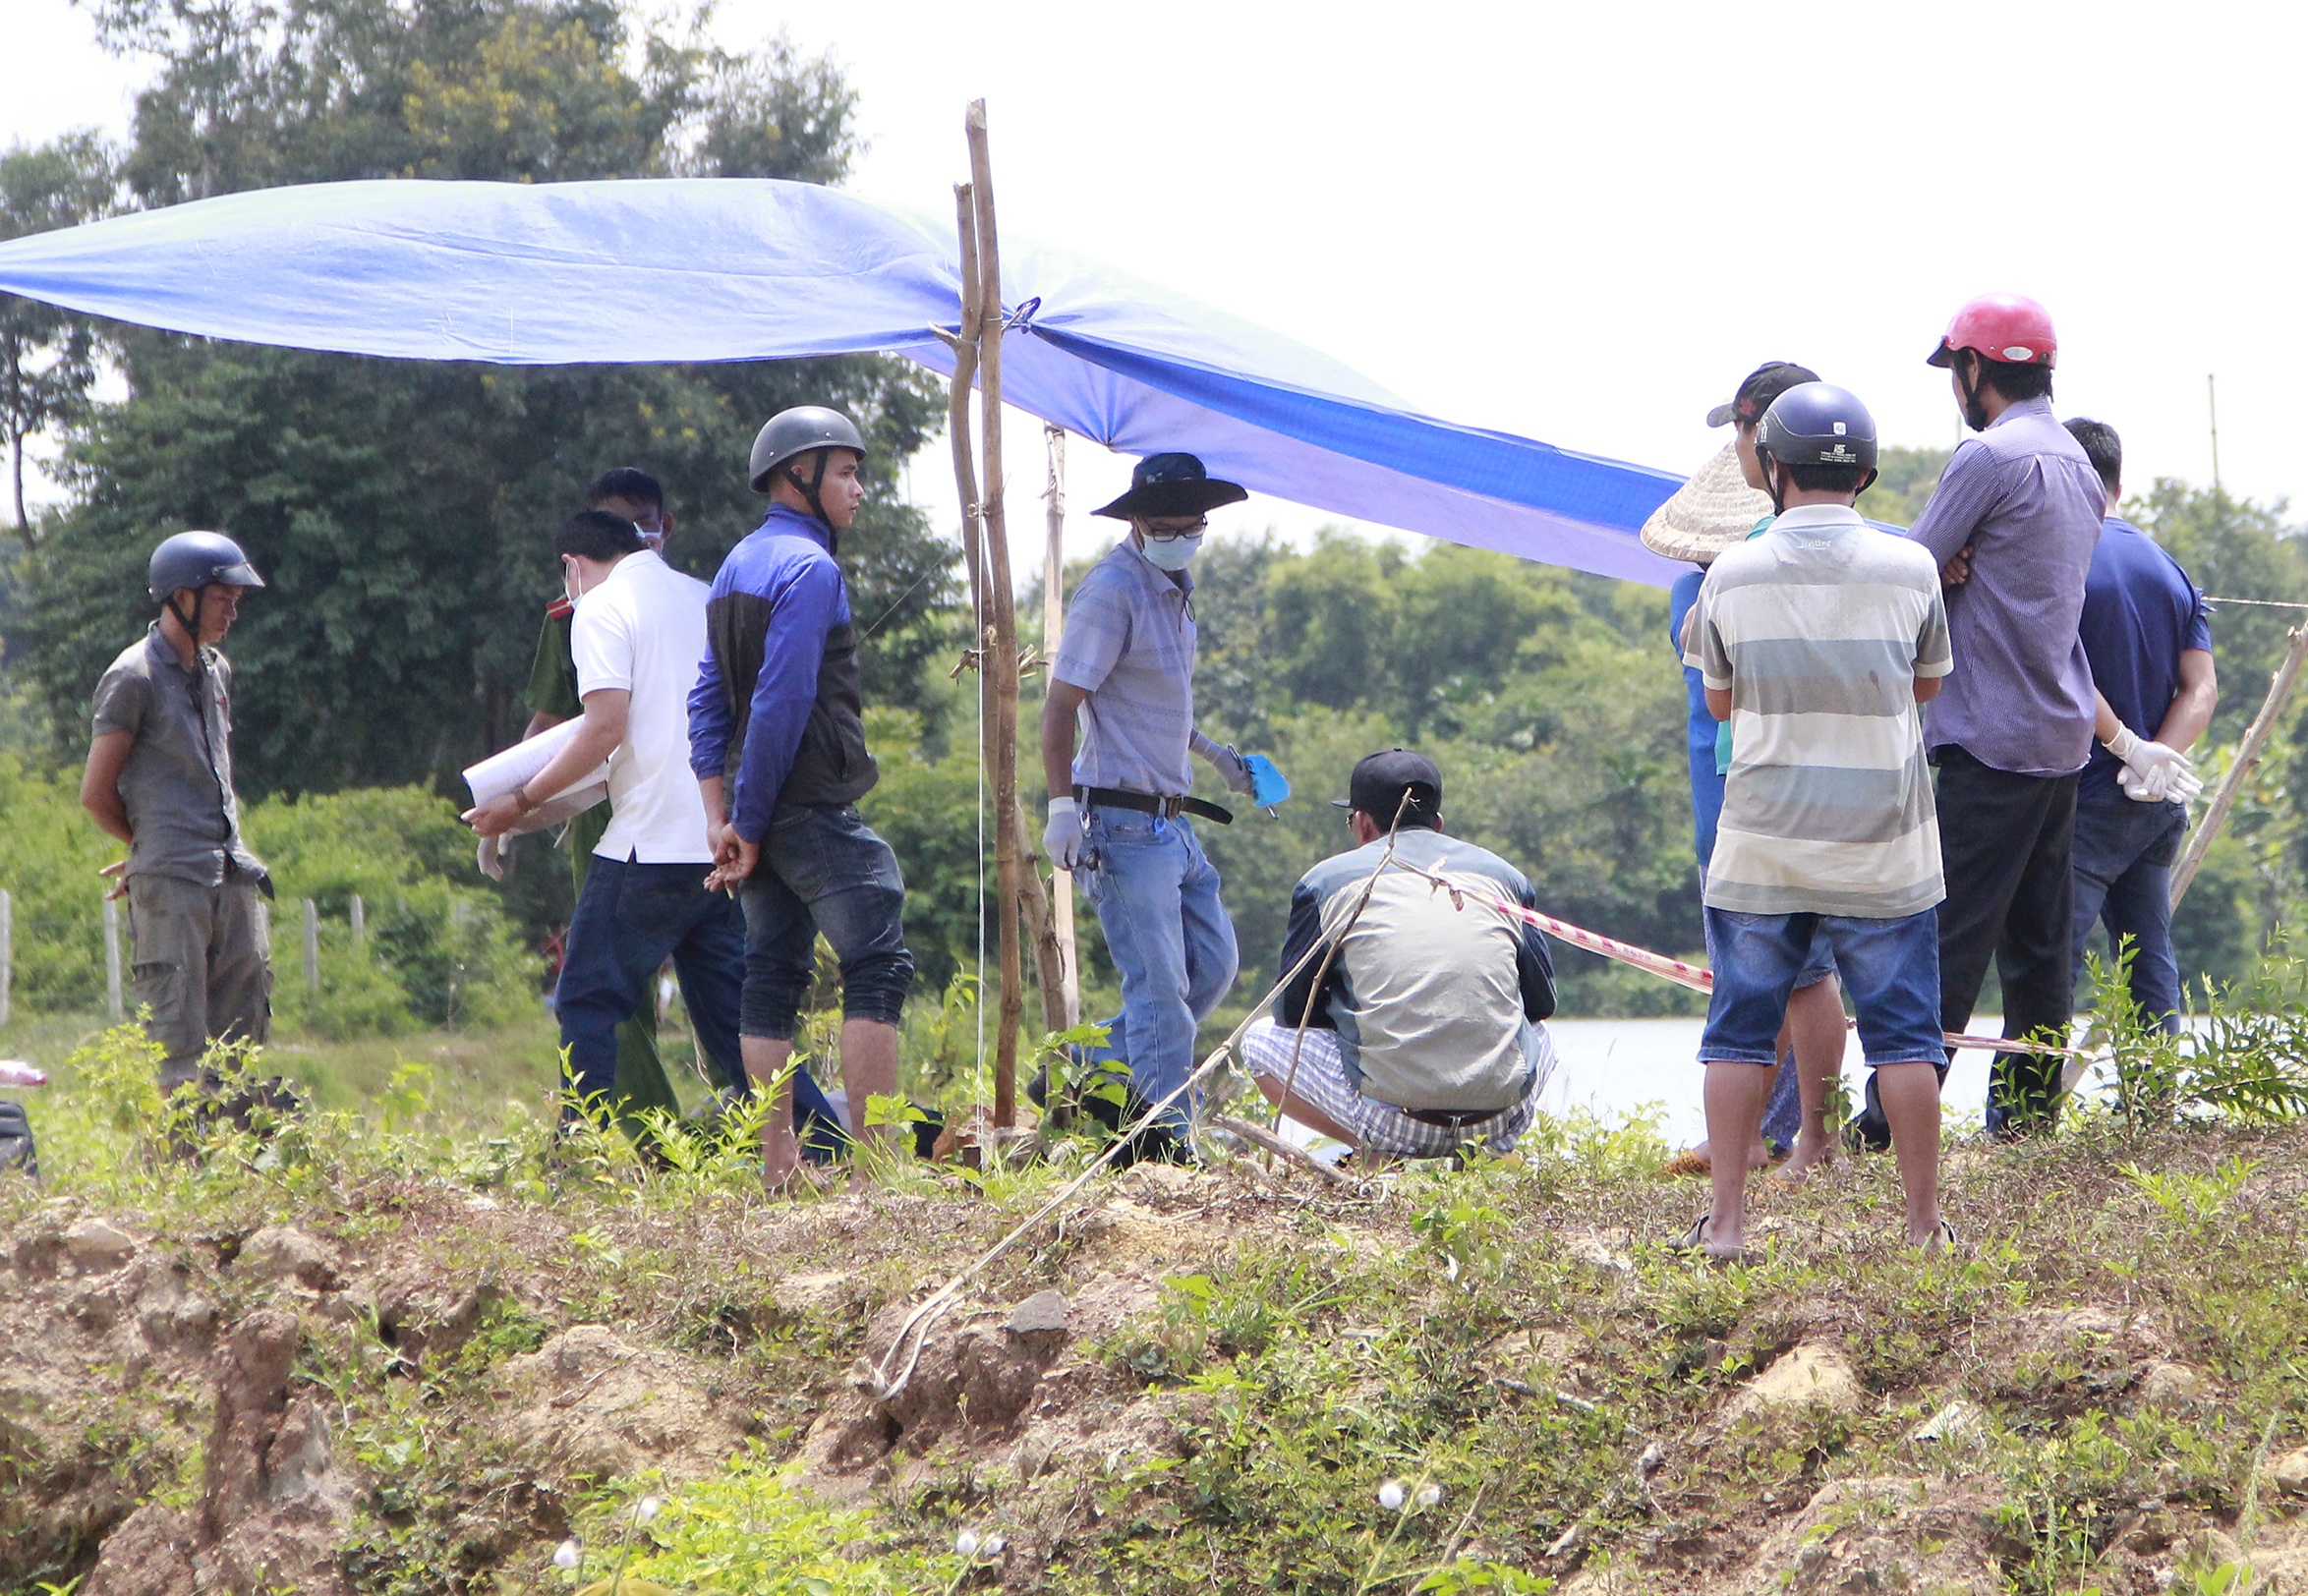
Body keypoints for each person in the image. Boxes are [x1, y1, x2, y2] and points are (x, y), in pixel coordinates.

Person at [1682, 382, 1951, 1258]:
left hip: (1762, 843)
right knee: (1907, 1039)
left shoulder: (1729, 573)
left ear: (1771, 467)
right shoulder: (1912, 565)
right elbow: (1926, 685)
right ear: (1867, 473)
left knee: (1739, 1029)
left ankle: (1726, 1224)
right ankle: (1922, 1227)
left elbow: (1719, 703)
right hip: (1885, 844)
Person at [1853, 292, 2109, 1142]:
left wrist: (1945, 561)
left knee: (1946, 937)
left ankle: (1888, 1126)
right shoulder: (2075, 459)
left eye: (1953, 371)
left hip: (1991, 736)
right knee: (2039, 949)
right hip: (2060, 732)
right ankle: (2028, 1124)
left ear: (1973, 369)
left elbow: (1909, 571)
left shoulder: (1988, 459)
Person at [467, 510, 788, 1144]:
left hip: (642, 848)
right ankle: (825, 1142)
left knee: (586, 997)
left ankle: (580, 1148)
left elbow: (605, 727)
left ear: (572, 566)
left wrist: (520, 801)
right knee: (736, 1027)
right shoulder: (705, 596)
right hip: (716, 843)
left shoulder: (600, 607)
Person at [689, 406, 915, 1188]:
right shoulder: (813, 571)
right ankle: (875, 1170)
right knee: (877, 958)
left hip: (755, 809)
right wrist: (745, 826)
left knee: (772, 977)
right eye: (846, 472)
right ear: (799, 476)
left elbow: (708, 704)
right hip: (808, 806)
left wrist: (721, 816)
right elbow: (782, 704)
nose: (859, 490)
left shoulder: (732, 568)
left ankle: (779, 1164)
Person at [1645, 361, 1844, 1177]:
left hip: (1744, 799)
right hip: (1818, 792)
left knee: (1778, 975)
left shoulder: (1717, 583)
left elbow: (1720, 694)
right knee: (1796, 969)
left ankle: (1788, 1139)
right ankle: (1783, 1133)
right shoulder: (1832, 570)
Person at [1040, 452, 1263, 1165]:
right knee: (1161, 989)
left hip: (1172, 822)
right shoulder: (1112, 593)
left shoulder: (1176, 588)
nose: (1177, 535)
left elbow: (1160, 705)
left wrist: (1218, 757)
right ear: (1137, 522)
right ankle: (1170, 1145)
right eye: (1163, 525)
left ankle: (1086, 1073)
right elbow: (1061, 705)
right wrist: (1059, 806)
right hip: (1121, 822)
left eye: (1187, 525)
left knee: (1213, 966)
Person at [1242, 750, 1557, 1163]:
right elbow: (1541, 1003)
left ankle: (1375, 1152)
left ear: (1363, 823)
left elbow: (1292, 1013)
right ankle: (1488, 1155)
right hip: (1497, 1121)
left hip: (1394, 1120)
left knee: (1257, 1041)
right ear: (1438, 824)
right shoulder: (1504, 876)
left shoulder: (1324, 882)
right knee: (1541, 1035)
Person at [508, 467, 692, 1125]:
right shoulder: (574, 616)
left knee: (721, 990)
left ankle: (745, 1134)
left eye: (642, 523)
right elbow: (554, 725)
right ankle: (656, 1137)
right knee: (611, 988)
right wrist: (511, 801)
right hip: (603, 810)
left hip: (686, 809)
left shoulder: (697, 603)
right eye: (616, 526)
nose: (634, 538)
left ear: (665, 528)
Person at [81, 532, 274, 1096]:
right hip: (173, 881)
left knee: (242, 1044)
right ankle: (179, 1173)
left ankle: (238, 1177)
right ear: (182, 598)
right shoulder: (132, 676)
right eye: (222, 599)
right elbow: (96, 792)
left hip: (230, 871)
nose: (233, 612)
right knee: (179, 1046)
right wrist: (147, 852)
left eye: (236, 601)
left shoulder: (218, 672)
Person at [2063, 418, 2216, 1034]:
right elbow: (2201, 688)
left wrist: (2125, 747)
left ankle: (2020, 1113)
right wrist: (2155, 760)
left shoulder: (2062, 562)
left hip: (2085, 797)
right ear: (2118, 481)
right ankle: (2157, 1105)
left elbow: (2061, 673)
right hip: (2151, 801)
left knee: (2053, 959)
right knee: (2150, 957)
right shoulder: (2168, 568)